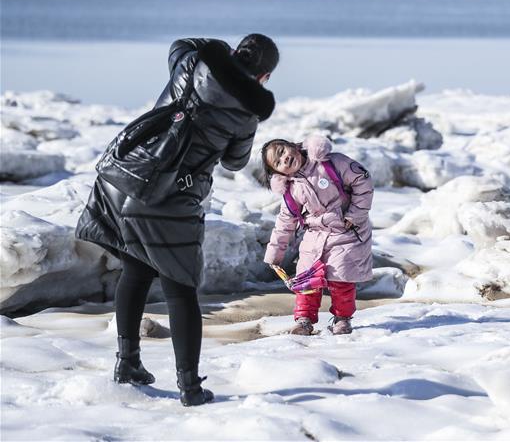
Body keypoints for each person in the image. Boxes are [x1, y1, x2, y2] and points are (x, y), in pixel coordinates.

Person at [76, 34, 278, 406]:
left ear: (235, 52)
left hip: (125, 178)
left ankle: (128, 364)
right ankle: (190, 387)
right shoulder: (247, 113)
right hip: (171, 198)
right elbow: (234, 161)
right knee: (181, 288)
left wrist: (217, 52)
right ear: (263, 77)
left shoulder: (191, 64)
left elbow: (181, 43)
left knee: (135, 272)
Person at [261, 134, 374, 336]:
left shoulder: (330, 163)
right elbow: (284, 223)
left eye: (282, 152)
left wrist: (355, 215)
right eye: (277, 162)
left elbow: (362, 182)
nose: (284, 159)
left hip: (346, 231)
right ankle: (304, 320)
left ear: (293, 146)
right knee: (306, 279)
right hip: (315, 235)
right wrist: (274, 255)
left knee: (341, 279)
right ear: (278, 173)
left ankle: (342, 319)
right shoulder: (292, 190)